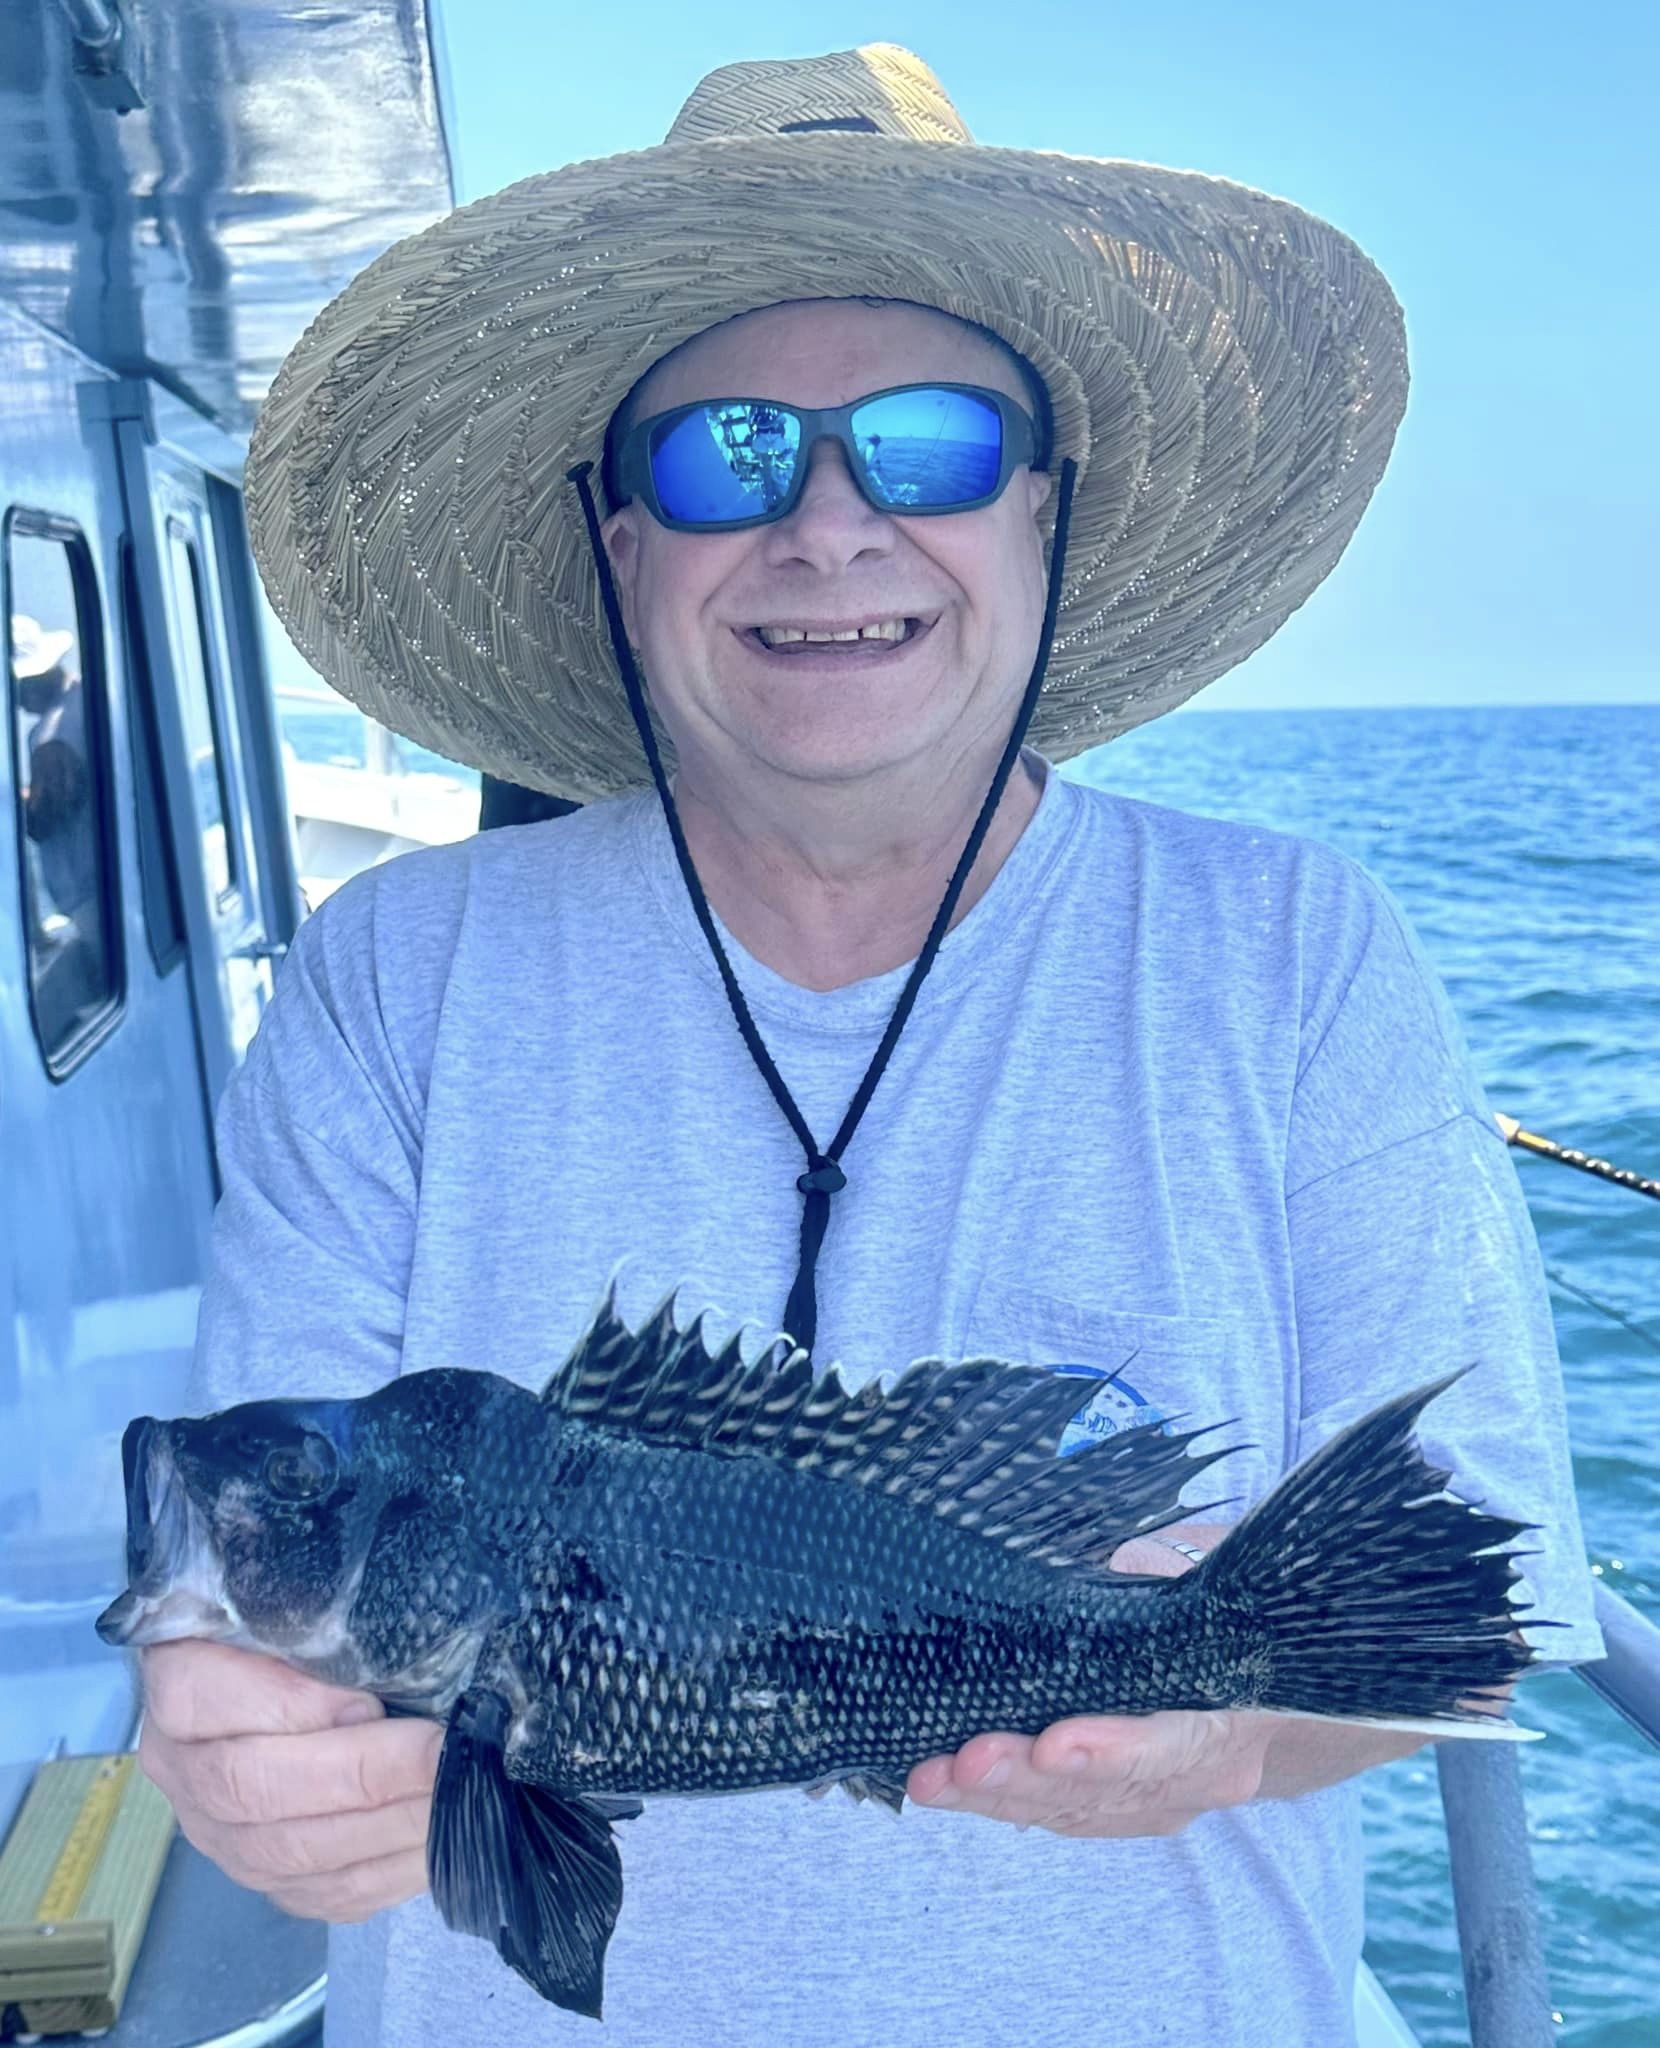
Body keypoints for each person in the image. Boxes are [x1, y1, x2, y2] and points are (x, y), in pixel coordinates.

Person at [134, 44, 1601, 2048]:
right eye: (722, 456)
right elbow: (273, 1617)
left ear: (1039, 515)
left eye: (926, 444)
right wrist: (248, 1759)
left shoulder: (1293, 951)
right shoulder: (391, 975)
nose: (828, 525)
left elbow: (1467, 1600)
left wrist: (1238, 1721)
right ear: (619, 544)